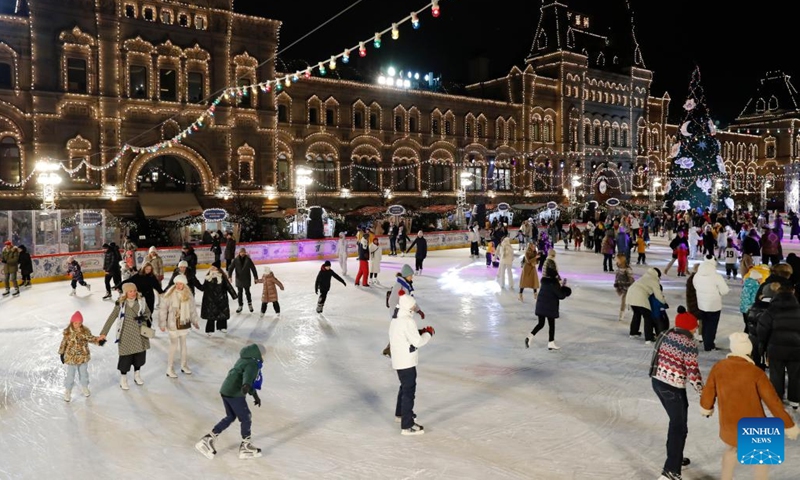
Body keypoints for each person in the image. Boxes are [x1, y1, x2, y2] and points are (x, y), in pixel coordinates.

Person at [700, 333, 799, 480]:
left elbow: (708, 391)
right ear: (749, 351)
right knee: (761, 456)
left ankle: (725, 478)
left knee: (732, 449)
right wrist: (788, 425)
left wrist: (706, 407)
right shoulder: (756, 373)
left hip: (729, 423)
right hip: (754, 425)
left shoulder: (719, 367)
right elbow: (773, 402)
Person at [649, 312, 702, 480]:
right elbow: (692, 372)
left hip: (658, 382)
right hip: (673, 388)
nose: (697, 327)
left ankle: (675, 458)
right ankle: (671, 469)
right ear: (690, 327)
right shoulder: (689, 343)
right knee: (678, 428)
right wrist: (703, 392)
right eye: (695, 325)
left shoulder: (666, 334)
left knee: (676, 425)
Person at [196, 344, 266, 459]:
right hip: (235, 394)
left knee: (231, 416)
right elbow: (248, 376)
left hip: (226, 390)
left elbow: (241, 375)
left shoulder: (244, 359)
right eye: (263, 355)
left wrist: (254, 395)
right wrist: (246, 385)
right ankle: (245, 446)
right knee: (246, 417)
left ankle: (208, 439)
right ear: (258, 354)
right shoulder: (253, 364)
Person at [389, 291, 434, 435]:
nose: (415, 309)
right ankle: (407, 426)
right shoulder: (408, 321)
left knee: (404, 387)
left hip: (399, 360)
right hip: (406, 361)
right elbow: (417, 341)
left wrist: (420, 330)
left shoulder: (396, 319)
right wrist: (428, 334)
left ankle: (401, 414)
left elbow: (406, 335)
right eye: (413, 307)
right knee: (409, 391)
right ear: (409, 308)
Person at [97, 283, 152, 390]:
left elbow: (148, 313)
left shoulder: (141, 301)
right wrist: (104, 333)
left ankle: (137, 374)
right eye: (130, 291)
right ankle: (123, 378)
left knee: (139, 356)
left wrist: (142, 317)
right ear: (126, 293)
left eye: (134, 291)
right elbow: (112, 317)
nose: (133, 293)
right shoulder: (120, 304)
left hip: (139, 333)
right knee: (125, 357)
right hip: (125, 334)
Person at [757, 284, 800, 409]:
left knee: (776, 374)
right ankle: (795, 400)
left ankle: (777, 398)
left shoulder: (770, 311)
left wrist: (762, 345)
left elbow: (762, 330)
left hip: (775, 349)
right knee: (796, 375)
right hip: (797, 350)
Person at [158, 274, 200, 378]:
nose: (178, 285)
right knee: (173, 345)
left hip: (184, 323)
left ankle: (184, 365)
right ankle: (169, 368)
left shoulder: (188, 295)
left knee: (183, 345)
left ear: (184, 284)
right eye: (176, 283)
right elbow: (163, 310)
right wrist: (162, 323)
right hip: (173, 324)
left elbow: (192, 310)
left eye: (180, 284)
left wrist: (195, 321)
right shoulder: (169, 295)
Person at [526, 266, 571, 351]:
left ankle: (530, 336)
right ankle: (551, 343)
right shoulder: (554, 283)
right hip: (549, 307)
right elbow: (560, 295)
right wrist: (565, 290)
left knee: (541, 324)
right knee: (551, 325)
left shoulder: (544, 282)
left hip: (540, 306)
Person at [58, 311, 101, 402]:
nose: (78, 325)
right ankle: (68, 391)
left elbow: (91, 338)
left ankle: (85, 387)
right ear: (72, 322)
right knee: (70, 375)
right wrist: (62, 353)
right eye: (76, 323)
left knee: (84, 374)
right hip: (71, 358)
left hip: (83, 357)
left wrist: (99, 340)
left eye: (80, 323)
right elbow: (63, 343)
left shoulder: (85, 331)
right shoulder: (67, 332)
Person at [693, 257, 730, 351]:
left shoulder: (697, 276)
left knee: (705, 324)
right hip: (714, 305)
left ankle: (706, 341)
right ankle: (709, 345)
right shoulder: (716, 276)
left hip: (701, 304)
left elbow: (695, 287)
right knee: (712, 326)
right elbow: (725, 290)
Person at [626, 268, 667, 344]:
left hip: (630, 294)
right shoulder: (653, 280)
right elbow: (658, 294)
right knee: (647, 317)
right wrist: (664, 303)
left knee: (636, 314)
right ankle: (649, 338)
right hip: (640, 296)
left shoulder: (645, 276)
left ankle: (633, 332)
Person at [197, 261, 238, 335]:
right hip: (210, 300)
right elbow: (203, 288)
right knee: (211, 316)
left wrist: (234, 295)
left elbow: (228, 286)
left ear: (218, 269)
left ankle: (222, 327)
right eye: (212, 267)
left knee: (221, 315)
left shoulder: (222, 277)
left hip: (221, 299)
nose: (212, 269)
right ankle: (210, 330)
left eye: (214, 268)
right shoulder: (208, 277)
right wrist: (196, 283)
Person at [229, 248, 259, 313]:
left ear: (245, 253)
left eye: (243, 252)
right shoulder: (235, 260)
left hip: (246, 278)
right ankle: (240, 305)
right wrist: (230, 276)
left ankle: (249, 304)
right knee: (240, 293)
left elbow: (253, 268)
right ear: (239, 253)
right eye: (241, 252)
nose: (242, 253)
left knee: (247, 292)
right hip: (239, 279)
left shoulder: (248, 260)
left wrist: (255, 277)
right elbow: (231, 268)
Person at [614, 254, 635, 322]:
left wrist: (631, 286)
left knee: (625, 300)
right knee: (625, 300)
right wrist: (616, 283)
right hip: (621, 286)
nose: (615, 260)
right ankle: (622, 313)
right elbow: (617, 276)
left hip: (628, 287)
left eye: (617, 259)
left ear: (621, 260)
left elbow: (631, 278)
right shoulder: (618, 267)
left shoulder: (627, 269)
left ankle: (622, 314)